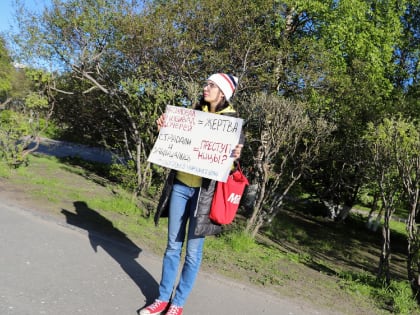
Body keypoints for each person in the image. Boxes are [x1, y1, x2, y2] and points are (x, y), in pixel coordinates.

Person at [139, 73, 244, 315]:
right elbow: (175, 146)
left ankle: (178, 304)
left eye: (211, 85)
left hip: (205, 195)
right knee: (172, 246)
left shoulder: (232, 122)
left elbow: (228, 167)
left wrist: (235, 156)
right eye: (206, 84)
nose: (205, 88)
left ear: (223, 93)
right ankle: (162, 299)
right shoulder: (191, 113)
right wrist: (163, 130)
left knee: (193, 253)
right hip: (180, 187)